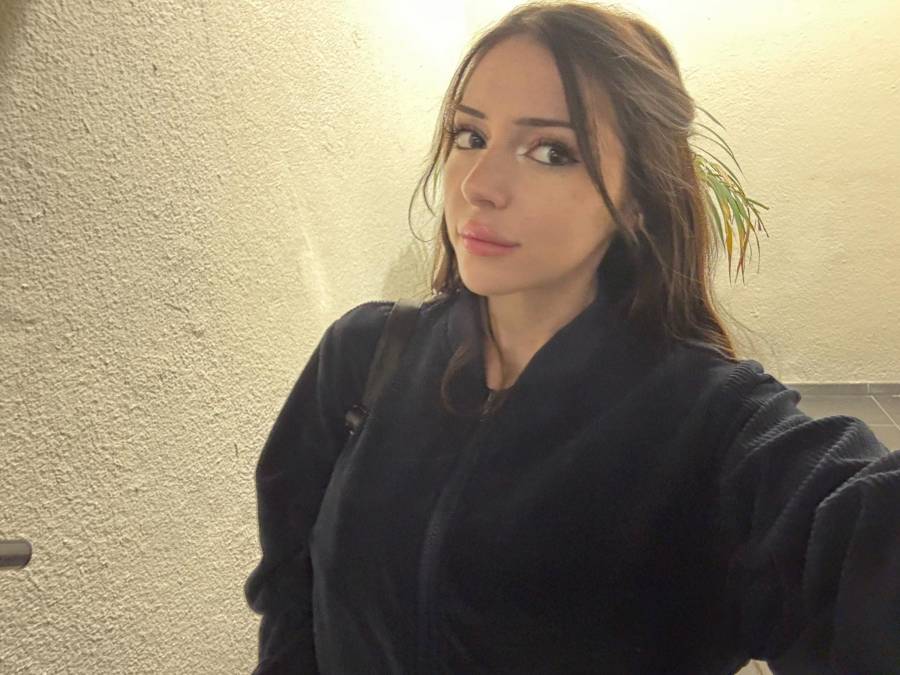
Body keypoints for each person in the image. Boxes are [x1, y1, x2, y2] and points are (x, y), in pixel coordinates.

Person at [244, 2, 900, 673]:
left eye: (551, 152)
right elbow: (292, 594)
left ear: (637, 198)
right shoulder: (363, 357)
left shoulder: (710, 425)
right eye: (470, 135)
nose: (479, 184)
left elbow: (857, 540)